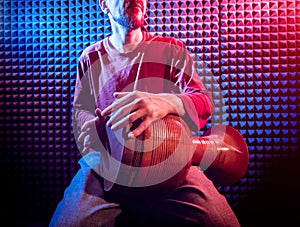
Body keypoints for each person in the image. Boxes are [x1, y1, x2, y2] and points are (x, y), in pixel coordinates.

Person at [49, 0, 241, 226]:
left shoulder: (171, 49)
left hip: (170, 162)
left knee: (221, 222)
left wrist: (165, 103)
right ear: (104, 5)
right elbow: (80, 110)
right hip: (107, 164)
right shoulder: (90, 58)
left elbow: (204, 101)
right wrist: (92, 127)